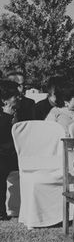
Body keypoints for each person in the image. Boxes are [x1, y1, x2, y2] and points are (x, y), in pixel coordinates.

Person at [0, 80, 19, 220]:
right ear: (4, 99)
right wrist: (6, 117)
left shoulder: (19, 109)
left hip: (16, 153)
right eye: (14, 97)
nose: (18, 98)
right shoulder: (4, 114)